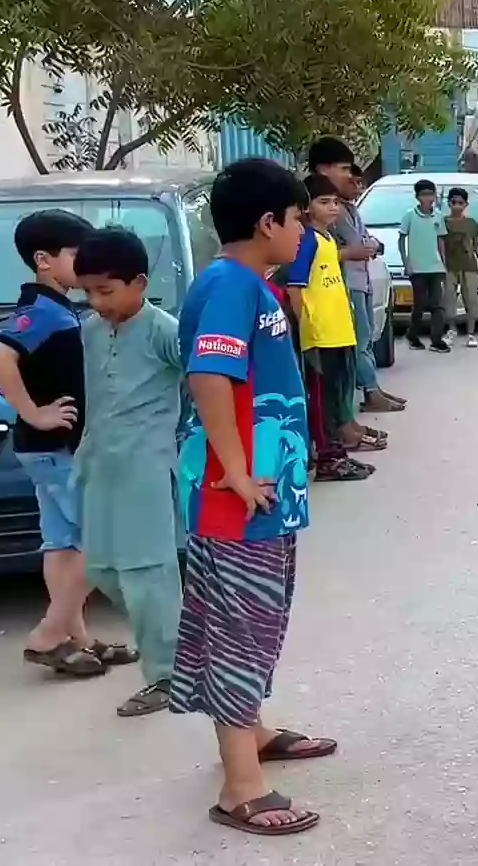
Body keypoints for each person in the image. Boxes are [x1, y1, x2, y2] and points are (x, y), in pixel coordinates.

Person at [173, 157, 335, 838]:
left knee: (257, 622)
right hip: (236, 499)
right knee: (241, 629)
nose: (305, 231)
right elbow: (209, 375)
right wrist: (237, 473)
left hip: (262, 495)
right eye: (299, 219)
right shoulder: (230, 286)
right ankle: (242, 786)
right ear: (268, 222)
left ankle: (254, 732)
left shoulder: (248, 285)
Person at [0, 209, 119, 679]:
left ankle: (75, 639)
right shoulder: (40, 311)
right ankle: (47, 634)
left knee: (62, 543)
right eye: (76, 256)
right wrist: (33, 411)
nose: (85, 265)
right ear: (44, 260)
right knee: (97, 542)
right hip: (55, 447)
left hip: (51, 448)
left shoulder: (59, 307)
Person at [73, 226, 186, 717]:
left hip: (147, 466)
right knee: (100, 567)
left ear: (139, 283)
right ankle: (170, 640)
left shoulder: (165, 330)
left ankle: (168, 674)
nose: (96, 302)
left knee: (147, 575)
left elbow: (205, 380)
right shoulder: (91, 331)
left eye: (106, 290)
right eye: (88, 292)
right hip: (99, 462)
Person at [305, 137, 401, 415]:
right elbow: (321, 252)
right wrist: (353, 252)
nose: (351, 177)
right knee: (350, 349)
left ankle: (367, 395)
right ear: (324, 169)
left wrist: (366, 248)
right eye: (345, 170)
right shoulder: (313, 210)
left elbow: (363, 242)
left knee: (364, 339)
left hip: (357, 281)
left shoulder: (345, 208)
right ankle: (358, 403)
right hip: (338, 287)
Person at [287, 174, 374, 482]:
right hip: (320, 336)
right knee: (322, 399)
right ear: (306, 208)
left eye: (335, 202)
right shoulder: (307, 240)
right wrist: (305, 326)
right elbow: (295, 286)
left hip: (339, 333)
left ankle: (338, 453)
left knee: (338, 397)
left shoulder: (326, 240)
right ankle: (327, 459)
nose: (333, 208)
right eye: (324, 202)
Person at [398, 178, 451, 353]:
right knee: (420, 304)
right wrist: (406, 262)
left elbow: (441, 240)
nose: (428, 198)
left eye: (431, 194)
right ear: (418, 197)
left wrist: (444, 263)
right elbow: (402, 238)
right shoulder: (410, 215)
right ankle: (412, 334)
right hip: (417, 267)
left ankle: (436, 339)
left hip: (436, 267)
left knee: (437, 304)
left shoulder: (438, 216)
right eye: (424, 194)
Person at [442, 187, 478, 349]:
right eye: (454, 202)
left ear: (466, 204)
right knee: (449, 298)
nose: (457, 206)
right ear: (449, 203)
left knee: (471, 298)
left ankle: (471, 333)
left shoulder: (471, 223)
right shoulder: (443, 222)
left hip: (469, 265)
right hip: (450, 265)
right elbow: (440, 245)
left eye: (460, 203)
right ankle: (451, 329)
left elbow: (476, 244)